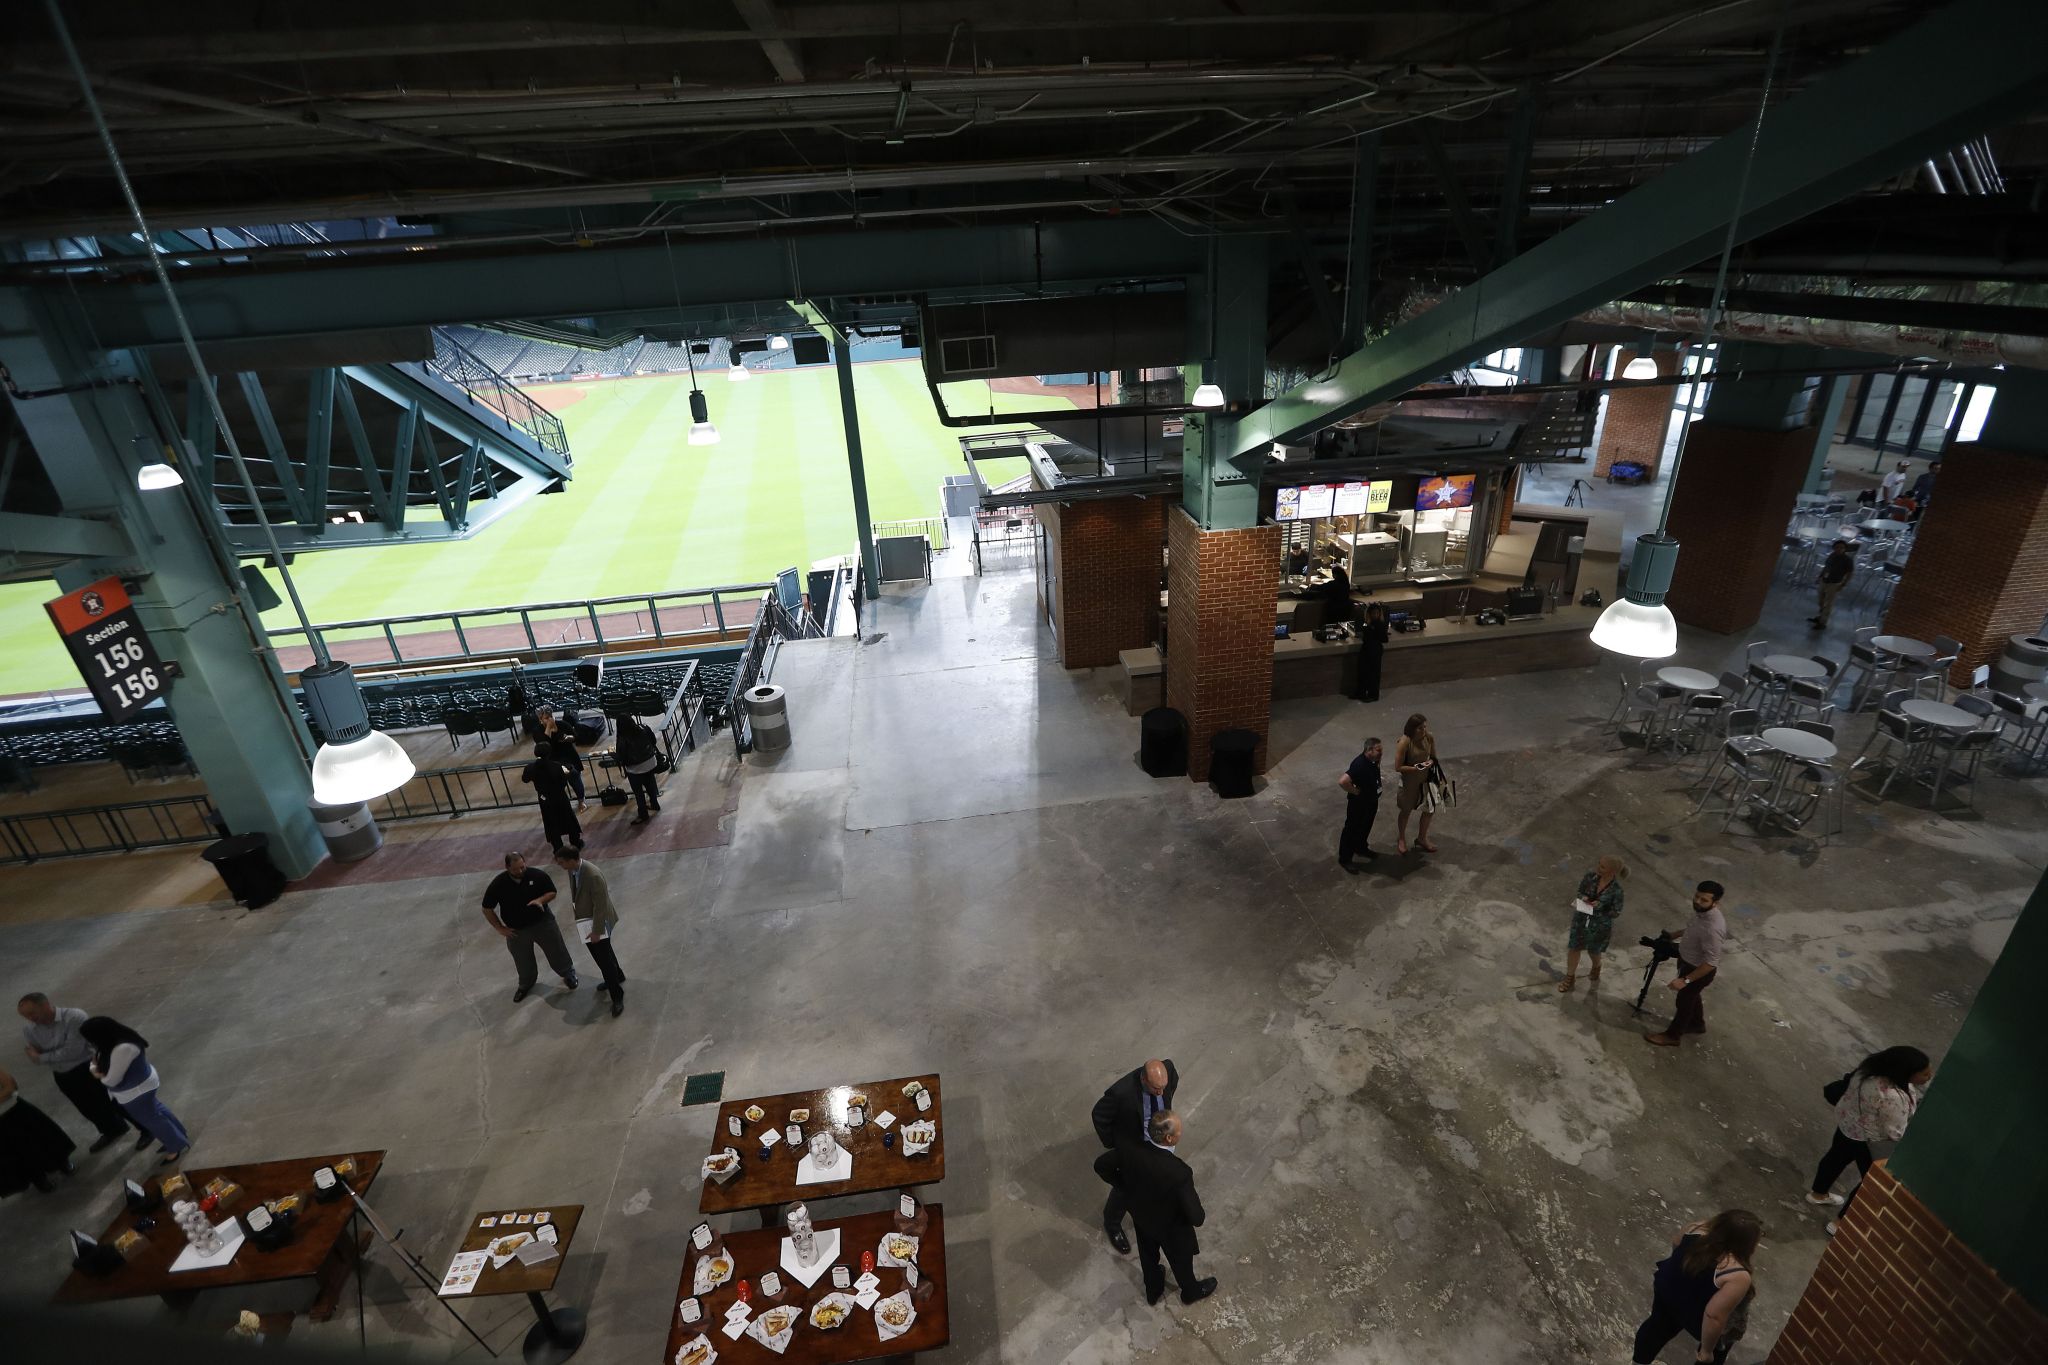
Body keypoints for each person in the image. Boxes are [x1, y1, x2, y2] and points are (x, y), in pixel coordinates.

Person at [1807, 1045, 1932, 1232]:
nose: (1928, 1077)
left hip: (1848, 1126)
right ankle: (1839, 1223)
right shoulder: (1893, 1097)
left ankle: (1817, 1194)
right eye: (1924, 1074)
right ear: (1906, 1072)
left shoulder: (1867, 1072)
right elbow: (1894, 1131)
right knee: (1870, 1182)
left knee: (1835, 1159)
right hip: (1870, 1141)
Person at [1100, 1111, 1216, 1306]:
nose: (1181, 1133)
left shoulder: (1130, 1150)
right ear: (1169, 1138)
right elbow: (1197, 1217)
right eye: (1179, 1131)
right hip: (1172, 1229)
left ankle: (1153, 1291)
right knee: (1181, 1261)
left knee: (1148, 1255)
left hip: (1142, 1217)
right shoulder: (1179, 1172)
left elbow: (1101, 1165)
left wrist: (1125, 1189)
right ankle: (1190, 1292)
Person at [1631, 1209, 1760, 1365]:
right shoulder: (1737, 1274)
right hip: (1696, 1313)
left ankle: (1639, 1362)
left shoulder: (1695, 1228)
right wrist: (1706, 1351)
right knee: (1722, 1341)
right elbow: (1714, 1316)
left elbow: (1676, 1244)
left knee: (1657, 1326)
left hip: (1668, 1291)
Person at [18, 993, 132, 1153]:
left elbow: (73, 1051)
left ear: (45, 1005)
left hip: (87, 1067)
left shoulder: (73, 1017)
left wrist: (42, 1057)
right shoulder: (29, 1029)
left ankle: (146, 1128)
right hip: (63, 1075)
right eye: (25, 1016)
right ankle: (112, 1130)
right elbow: (35, 1054)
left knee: (113, 1101)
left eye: (32, 1013)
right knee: (87, 1108)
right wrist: (43, 1056)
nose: (30, 1018)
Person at [1090, 1058, 1178, 1255]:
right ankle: (1112, 1223)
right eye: (1156, 1088)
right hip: (1134, 1147)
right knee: (1126, 1189)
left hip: (1158, 1142)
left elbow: (1170, 1087)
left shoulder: (1169, 1070)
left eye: (1163, 1087)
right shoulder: (1121, 1093)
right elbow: (1099, 1115)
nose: (1161, 1093)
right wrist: (1115, 1143)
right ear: (1144, 1080)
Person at [77, 1017, 190, 1165]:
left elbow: (111, 1080)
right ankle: (179, 1135)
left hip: (136, 1092)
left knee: (152, 1120)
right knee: (157, 1111)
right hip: (142, 1084)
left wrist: (95, 1072)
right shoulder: (122, 1038)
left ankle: (174, 1147)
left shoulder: (122, 1049)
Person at [480, 852, 579, 1003]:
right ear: (507, 868)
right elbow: (487, 908)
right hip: (516, 930)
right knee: (522, 960)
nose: (520, 872)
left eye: (522, 867)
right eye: (515, 870)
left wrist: (541, 900)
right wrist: (500, 928)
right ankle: (526, 984)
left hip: (543, 923)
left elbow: (552, 892)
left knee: (556, 950)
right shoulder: (498, 884)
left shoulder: (537, 875)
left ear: (525, 863)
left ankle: (568, 974)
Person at [1645, 881, 1726, 1048]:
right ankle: (1697, 1024)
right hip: (1687, 960)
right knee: (1691, 997)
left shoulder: (1713, 928)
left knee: (1684, 1002)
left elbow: (1711, 963)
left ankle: (1673, 1036)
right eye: (1697, 896)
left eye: (1704, 900)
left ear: (1715, 903)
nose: (1697, 901)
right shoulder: (1702, 913)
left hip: (1696, 970)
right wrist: (1675, 934)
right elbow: (1693, 927)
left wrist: (1685, 980)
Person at [554, 848, 626, 1017]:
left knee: (603, 959)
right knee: (605, 953)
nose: (560, 865)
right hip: (587, 921)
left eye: (562, 862)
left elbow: (600, 906)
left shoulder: (592, 875)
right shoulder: (573, 870)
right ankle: (618, 975)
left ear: (571, 859)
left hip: (598, 923)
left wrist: (596, 931)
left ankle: (617, 996)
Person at [0, 1067, 76, 1196]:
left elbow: (10, 1086)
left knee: (42, 1138)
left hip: (16, 1111)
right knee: (18, 1153)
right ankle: (38, 1178)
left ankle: (61, 1162)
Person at [1558, 856, 1627, 992]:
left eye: (1602, 867)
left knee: (1594, 951)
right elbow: (1580, 892)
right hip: (1581, 920)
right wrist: (1583, 898)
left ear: (1612, 871)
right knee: (1574, 948)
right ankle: (1570, 977)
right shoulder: (1590, 877)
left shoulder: (1617, 890)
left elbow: (1616, 912)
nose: (1598, 868)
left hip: (1599, 926)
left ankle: (1597, 965)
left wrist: (1600, 906)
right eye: (1599, 864)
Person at [521, 742, 584, 854]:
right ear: (549, 752)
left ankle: (557, 847)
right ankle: (575, 842)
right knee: (568, 818)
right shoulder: (556, 766)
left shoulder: (530, 767)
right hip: (559, 796)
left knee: (550, 822)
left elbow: (525, 779)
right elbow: (563, 782)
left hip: (544, 798)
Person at [1393, 713, 1440, 856]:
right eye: (1420, 728)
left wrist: (1430, 763)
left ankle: (1422, 837)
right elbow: (1398, 767)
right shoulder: (1405, 742)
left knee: (1429, 809)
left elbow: (1434, 757)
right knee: (1406, 810)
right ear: (1412, 728)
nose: (1423, 730)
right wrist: (1416, 768)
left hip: (1425, 780)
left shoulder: (1429, 737)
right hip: (1409, 782)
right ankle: (1401, 838)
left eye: (1425, 727)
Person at [1337, 736, 1383, 871]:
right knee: (1352, 828)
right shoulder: (1359, 764)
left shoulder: (1374, 760)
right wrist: (1356, 792)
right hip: (1359, 804)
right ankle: (1345, 858)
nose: (1381, 753)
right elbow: (1343, 781)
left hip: (1371, 801)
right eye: (1378, 750)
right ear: (1369, 750)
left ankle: (1361, 847)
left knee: (1366, 825)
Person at [614, 715, 663, 824]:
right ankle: (655, 804)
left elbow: (621, 757)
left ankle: (643, 815)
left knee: (639, 793)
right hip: (650, 763)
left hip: (635, 769)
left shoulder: (623, 738)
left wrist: (612, 754)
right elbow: (653, 741)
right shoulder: (644, 727)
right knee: (650, 785)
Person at [537, 707, 587, 807]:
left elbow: (576, 737)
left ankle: (581, 800)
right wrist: (548, 728)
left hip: (569, 757)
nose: (550, 720)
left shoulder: (562, 724)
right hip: (553, 760)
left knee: (575, 779)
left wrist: (568, 738)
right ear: (540, 720)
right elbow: (543, 745)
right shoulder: (538, 731)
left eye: (551, 716)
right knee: (556, 785)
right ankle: (561, 803)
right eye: (546, 718)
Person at [1810, 540, 1854, 630]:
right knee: (1821, 600)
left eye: (1842, 548)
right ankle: (1820, 616)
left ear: (1845, 549)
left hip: (1834, 583)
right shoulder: (1831, 556)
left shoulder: (1847, 560)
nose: (1839, 549)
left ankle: (1823, 622)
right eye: (1837, 547)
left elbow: (1850, 573)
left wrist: (1843, 584)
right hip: (1824, 580)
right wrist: (1820, 577)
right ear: (1834, 548)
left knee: (1829, 603)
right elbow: (1826, 567)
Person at [1352, 602, 1389, 702]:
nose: (1375, 615)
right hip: (1366, 649)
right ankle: (1361, 692)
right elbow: (1363, 632)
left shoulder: (1380, 624)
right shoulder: (1367, 623)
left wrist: (1374, 633)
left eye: (1377, 613)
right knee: (1362, 672)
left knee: (1373, 673)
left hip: (1375, 650)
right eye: (1373, 613)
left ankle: (1373, 695)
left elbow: (1385, 639)